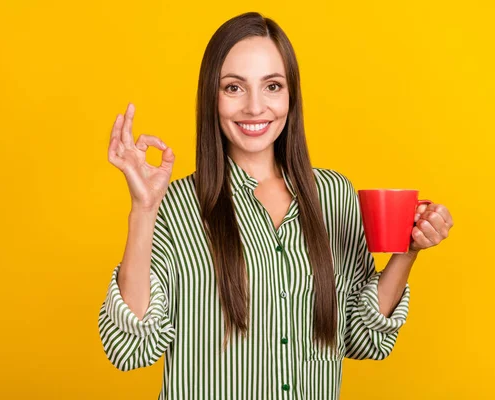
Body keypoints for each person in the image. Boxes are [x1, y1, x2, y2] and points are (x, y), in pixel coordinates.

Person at [98, 11, 454, 400]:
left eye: (272, 86)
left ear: (291, 95)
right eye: (234, 87)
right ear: (211, 97)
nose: (255, 107)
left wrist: (407, 251)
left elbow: (363, 338)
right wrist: (144, 208)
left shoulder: (333, 196)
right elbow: (129, 348)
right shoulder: (177, 206)